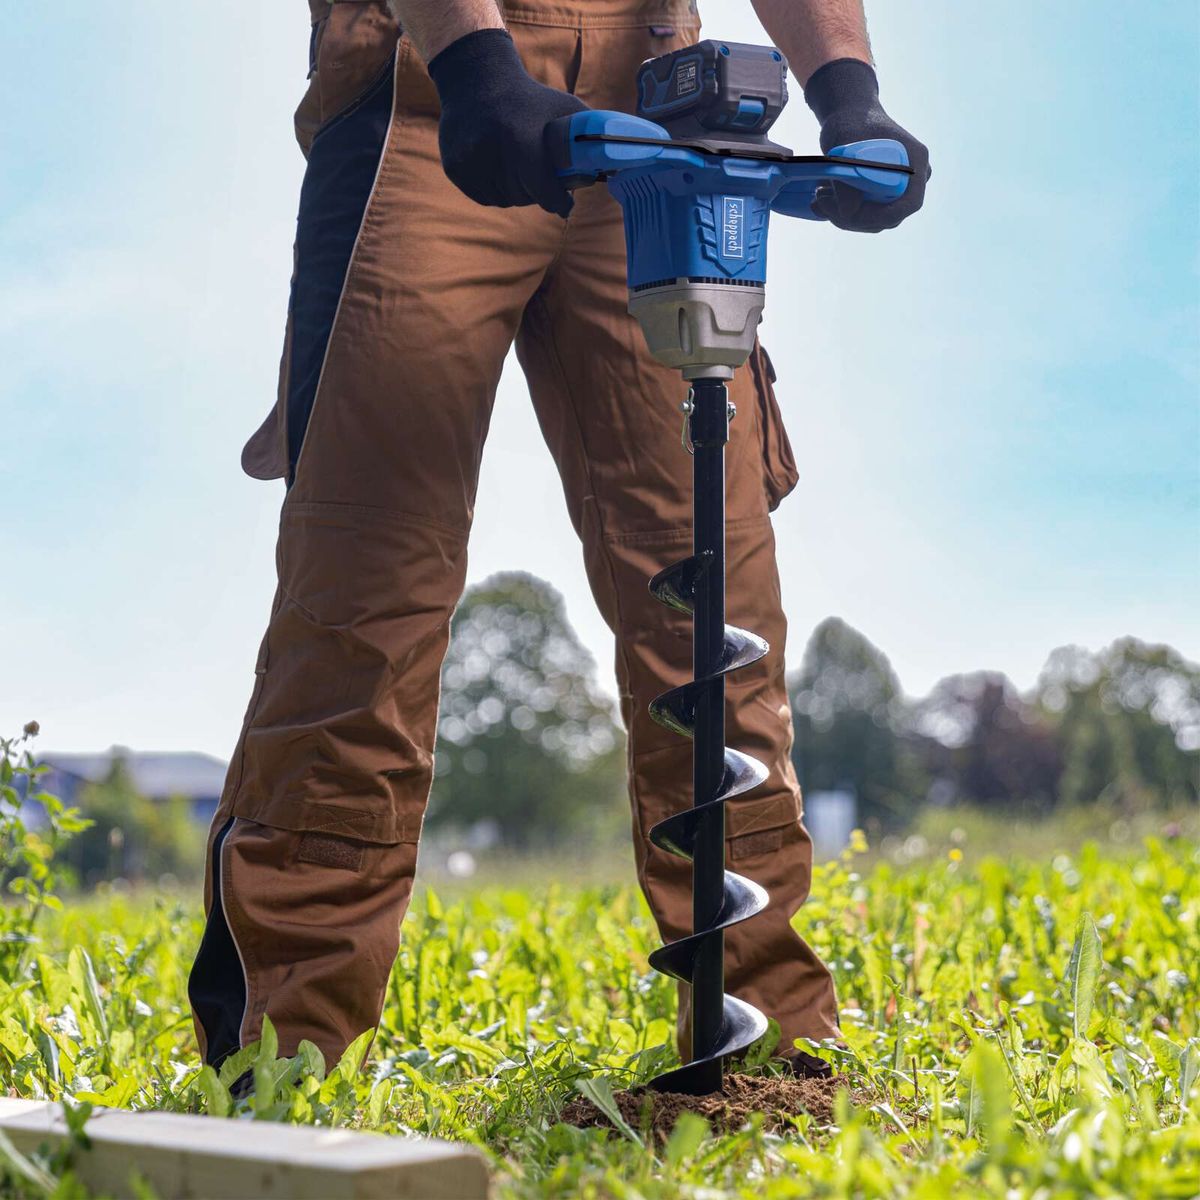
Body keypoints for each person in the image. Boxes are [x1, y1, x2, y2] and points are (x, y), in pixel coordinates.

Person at [188, 0, 929, 1080]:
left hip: (657, 112)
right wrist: (481, 64)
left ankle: (765, 1050)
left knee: (712, 593)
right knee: (366, 597)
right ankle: (281, 1065)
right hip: (429, 91)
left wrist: (847, 88)